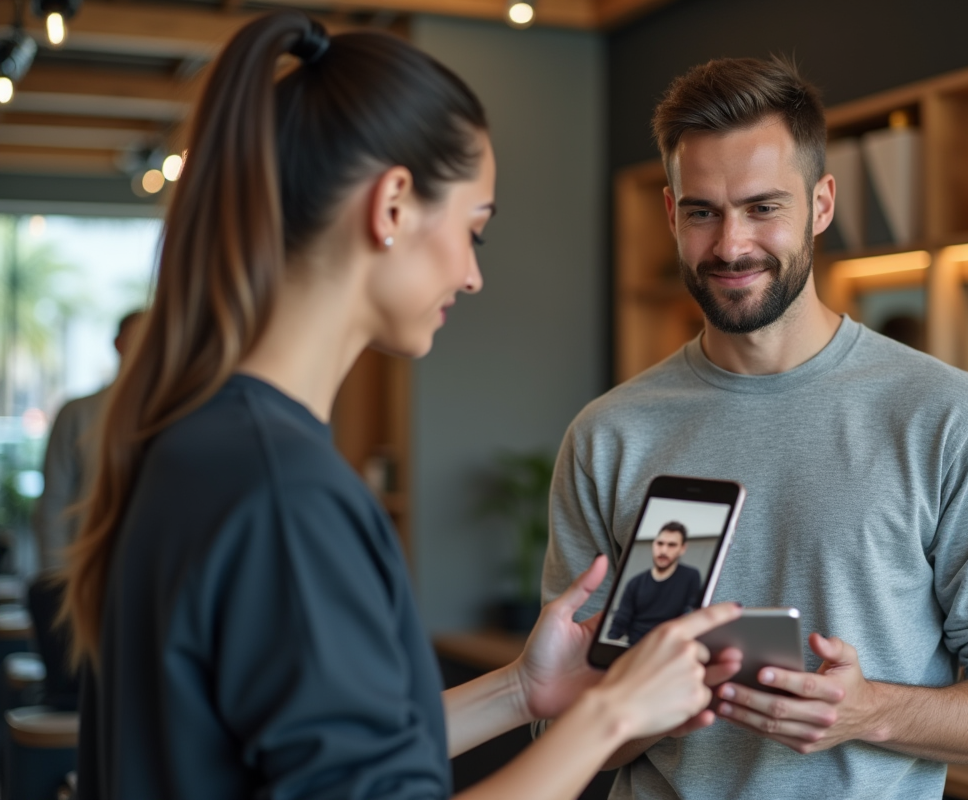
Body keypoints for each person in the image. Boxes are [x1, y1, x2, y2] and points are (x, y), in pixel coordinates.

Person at [59, 13, 743, 800]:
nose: (472, 274)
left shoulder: (200, 447)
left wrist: (522, 691)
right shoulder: (289, 498)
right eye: (473, 231)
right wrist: (615, 715)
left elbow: (318, 759)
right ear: (390, 207)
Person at [542, 56, 968, 799]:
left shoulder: (948, 416)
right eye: (703, 211)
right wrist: (654, 705)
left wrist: (869, 713)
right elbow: (558, 723)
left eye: (763, 208)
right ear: (671, 214)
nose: (730, 245)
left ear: (822, 204)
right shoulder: (609, 435)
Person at [33, 310, 143, 572]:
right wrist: (57, 577)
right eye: (140, 336)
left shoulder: (181, 414)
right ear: (119, 344)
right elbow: (54, 500)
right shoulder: (78, 412)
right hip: (90, 569)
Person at [607, 522, 702, 645]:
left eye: (671, 545)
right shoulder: (635, 583)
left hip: (669, 645)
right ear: (653, 544)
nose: (663, 550)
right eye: (660, 543)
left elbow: (690, 614)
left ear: (682, 548)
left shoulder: (691, 576)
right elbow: (621, 620)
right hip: (635, 646)